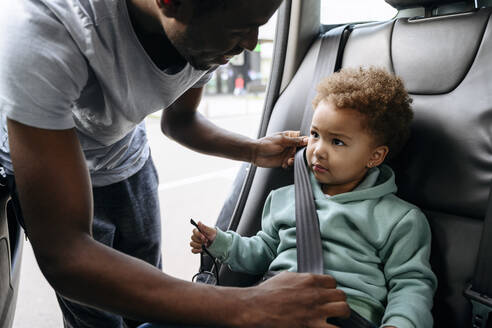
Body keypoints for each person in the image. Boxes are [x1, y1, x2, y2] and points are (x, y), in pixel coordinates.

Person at [0, 0, 351, 327]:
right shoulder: (42, 29)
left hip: (127, 158)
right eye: (238, 30)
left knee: (141, 296)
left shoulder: (206, 35)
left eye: (258, 26)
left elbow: (180, 121)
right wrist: (248, 305)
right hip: (53, 162)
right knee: (97, 314)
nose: (250, 43)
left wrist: (254, 151)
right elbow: (67, 253)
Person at [191, 67, 438, 328]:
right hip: (272, 303)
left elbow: (411, 285)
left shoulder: (399, 219)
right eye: (316, 135)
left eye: (337, 142)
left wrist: (399, 324)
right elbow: (263, 251)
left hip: (345, 314)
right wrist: (221, 242)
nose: (318, 150)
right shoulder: (284, 199)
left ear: (375, 156)